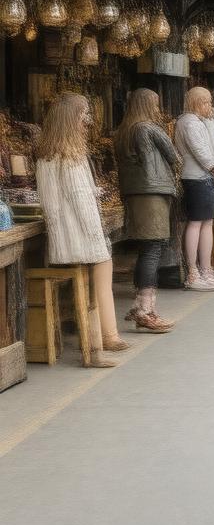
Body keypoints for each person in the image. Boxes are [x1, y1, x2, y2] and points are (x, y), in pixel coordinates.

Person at [35, 93, 124, 367]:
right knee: (96, 282)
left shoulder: (46, 154)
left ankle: (104, 340)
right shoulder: (72, 156)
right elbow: (80, 200)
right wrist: (97, 234)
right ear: (72, 119)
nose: (87, 120)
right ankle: (98, 346)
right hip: (80, 238)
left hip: (62, 239)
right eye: (84, 114)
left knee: (94, 279)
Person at [113, 88, 179, 332]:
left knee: (146, 248)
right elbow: (173, 155)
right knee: (153, 248)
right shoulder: (147, 128)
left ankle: (140, 305)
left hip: (135, 192)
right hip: (152, 192)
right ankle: (146, 311)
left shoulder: (123, 131)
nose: (158, 109)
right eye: (156, 104)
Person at [174, 86, 214, 291]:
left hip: (202, 177)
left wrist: (211, 122)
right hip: (196, 177)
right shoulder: (190, 123)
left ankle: (205, 270)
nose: (210, 106)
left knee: (206, 223)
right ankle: (194, 273)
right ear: (199, 103)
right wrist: (213, 167)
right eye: (207, 102)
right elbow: (202, 152)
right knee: (196, 224)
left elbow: (213, 148)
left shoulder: (198, 122)